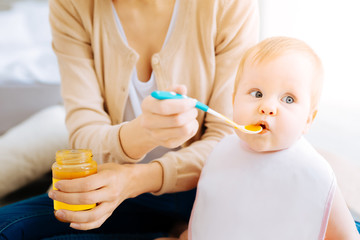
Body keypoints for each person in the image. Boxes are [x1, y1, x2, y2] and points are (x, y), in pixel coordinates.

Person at [0, 0, 259, 239]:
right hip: (110, 190)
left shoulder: (227, 6)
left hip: (199, 194)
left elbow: (227, 138)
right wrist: (142, 134)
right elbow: (84, 133)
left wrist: (134, 179)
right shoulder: (73, 6)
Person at [188, 37, 360, 239]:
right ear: (234, 101)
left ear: (308, 119)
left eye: (288, 99)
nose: (267, 107)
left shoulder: (314, 174)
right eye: (257, 93)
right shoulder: (222, 152)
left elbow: (346, 236)